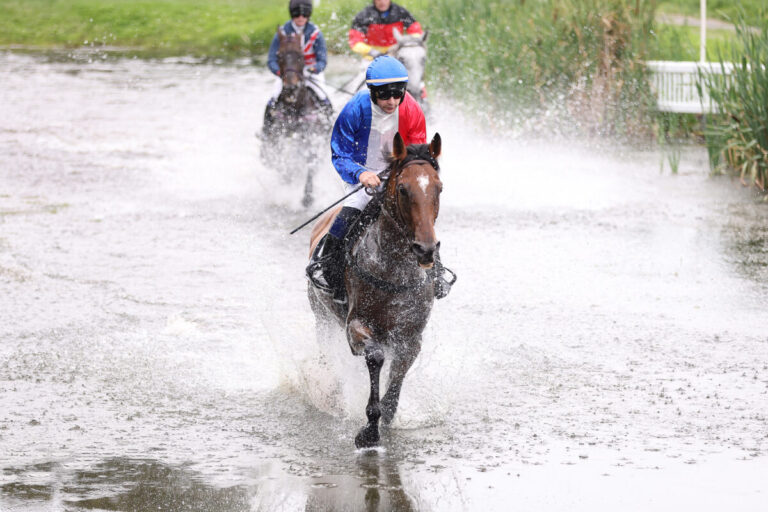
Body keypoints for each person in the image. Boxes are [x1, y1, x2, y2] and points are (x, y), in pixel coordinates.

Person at [308, 56, 451, 304]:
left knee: (422, 213)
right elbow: (340, 155)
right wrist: (361, 174)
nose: (392, 101)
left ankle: (435, 270)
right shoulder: (354, 110)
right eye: (385, 95)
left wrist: (404, 174)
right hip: (361, 178)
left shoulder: (412, 109)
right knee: (348, 215)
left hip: (399, 176)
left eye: (398, 94)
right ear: (372, 91)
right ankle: (327, 268)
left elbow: (417, 153)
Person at [266, 0, 331, 110]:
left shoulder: (316, 34)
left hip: (310, 72)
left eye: (304, 14)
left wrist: (313, 69)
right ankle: (267, 124)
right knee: (273, 97)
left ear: (309, 14)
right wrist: (279, 72)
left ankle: (330, 117)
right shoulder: (282, 33)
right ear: (292, 14)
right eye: (297, 14)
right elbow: (271, 60)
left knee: (323, 96)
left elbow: (322, 60)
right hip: (287, 73)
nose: (301, 17)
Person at [348, 0, 423, 60]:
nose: (382, 2)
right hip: (372, 59)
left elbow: (416, 32)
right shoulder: (363, 16)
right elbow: (355, 42)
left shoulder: (401, 13)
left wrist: (409, 44)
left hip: (397, 56)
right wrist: (371, 51)